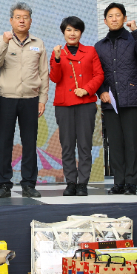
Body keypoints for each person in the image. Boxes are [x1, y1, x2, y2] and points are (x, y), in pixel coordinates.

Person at [0, 2, 49, 198]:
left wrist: (42, 99)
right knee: (5, 142)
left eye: (25, 17)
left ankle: (29, 183)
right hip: (6, 98)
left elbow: (44, 73)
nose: (22, 20)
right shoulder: (1, 39)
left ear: (30, 21)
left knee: (30, 142)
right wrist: (6, 43)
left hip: (31, 99)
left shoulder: (38, 43)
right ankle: (4, 184)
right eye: (18, 17)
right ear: (11, 20)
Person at [95, 3, 137, 195]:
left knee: (132, 143)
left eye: (118, 15)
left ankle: (131, 183)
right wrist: (101, 91)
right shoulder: (99, 46)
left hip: (132, 98)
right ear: (105, 21)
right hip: (110, 102)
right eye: (110, 16)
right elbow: (97, 73)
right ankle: (118, 182)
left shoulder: (133, 39)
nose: (114, 19)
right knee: (115, 143)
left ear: (124, 18)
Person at [49, 16, 104, 196]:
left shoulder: (90, 51)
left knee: (85, 145)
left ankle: (83, 183)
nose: (72, 34)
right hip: (64, 105)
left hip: (86, 104)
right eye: (68, 30)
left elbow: (99, 75)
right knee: (66, 145)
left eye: (76, 30)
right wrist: (57, 59)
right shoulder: (57, 53)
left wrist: (87, 90)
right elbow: (55, 78)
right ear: (63, 32)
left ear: (81, 32)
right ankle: (70, 182)